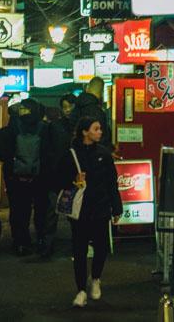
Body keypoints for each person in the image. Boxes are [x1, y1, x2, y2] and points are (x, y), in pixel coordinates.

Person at [58, 116, 122, 308]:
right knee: (79, 250)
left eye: (100, 129)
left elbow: (112, 183)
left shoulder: (104, 153)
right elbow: (56, 178)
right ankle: (81, 290)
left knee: (101, 247)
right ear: (85, 132)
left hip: (101, 207)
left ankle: (95, 278)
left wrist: (116, 208)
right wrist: (73, 179)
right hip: (80, 209)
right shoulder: (71, 154)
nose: (100, 132)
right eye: (96, 129)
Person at [0, 99, 50, 255]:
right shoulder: (44, 129)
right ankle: (41, 240)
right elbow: (48, 153)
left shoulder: (7, 131)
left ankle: (21, 242)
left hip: (15, 178)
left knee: (19, 210)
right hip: (39, 177)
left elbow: (3, 154)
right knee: (41, 210)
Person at [41, 93, 77, 258]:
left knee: (56, 213)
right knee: (63, 213)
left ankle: (50, 247)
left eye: (70, 106)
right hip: (60, 175)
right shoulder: (59, 126)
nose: (68, 110)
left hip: (65, 175)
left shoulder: (58, 126)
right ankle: (50, 246)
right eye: (65, 107)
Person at [71, 76, 112, 148]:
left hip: (77, 150)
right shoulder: (97, 111)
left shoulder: (76, 107)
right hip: (92, 152)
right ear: (102, 92)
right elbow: (101, 138)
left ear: (87, 88)